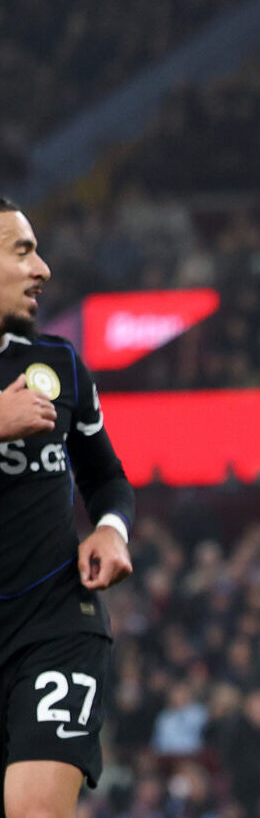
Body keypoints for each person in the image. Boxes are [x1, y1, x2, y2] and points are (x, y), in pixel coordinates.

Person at [0, 196, 135, 818]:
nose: (43, 269)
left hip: (54, 625)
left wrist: (110, 529)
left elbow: (106, 477)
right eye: (22, 251)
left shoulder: (58, 364)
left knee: (35, 809)